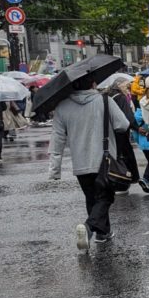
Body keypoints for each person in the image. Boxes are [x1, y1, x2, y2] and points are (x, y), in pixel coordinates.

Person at [48, 76, 131, 251]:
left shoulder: (62, 107)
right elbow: (123, 124)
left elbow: (57, 139)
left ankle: (103, 233)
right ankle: (89, 228)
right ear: (93, 83)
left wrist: (55, 169)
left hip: (80, 163)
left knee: (92, 198)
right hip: (104, 159)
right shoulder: (105, 100)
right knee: (105, 197)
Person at [106, 77, 142, 190]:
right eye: (127, 86)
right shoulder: (121, 97)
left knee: (113, 155)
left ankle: (112, 179)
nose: (128, 89)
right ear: (120, 85)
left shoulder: (107, 96)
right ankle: (124, 181)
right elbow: (128, 116)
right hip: (121, 131)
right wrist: (137, 127)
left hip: (108, 131)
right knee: (125, 156)